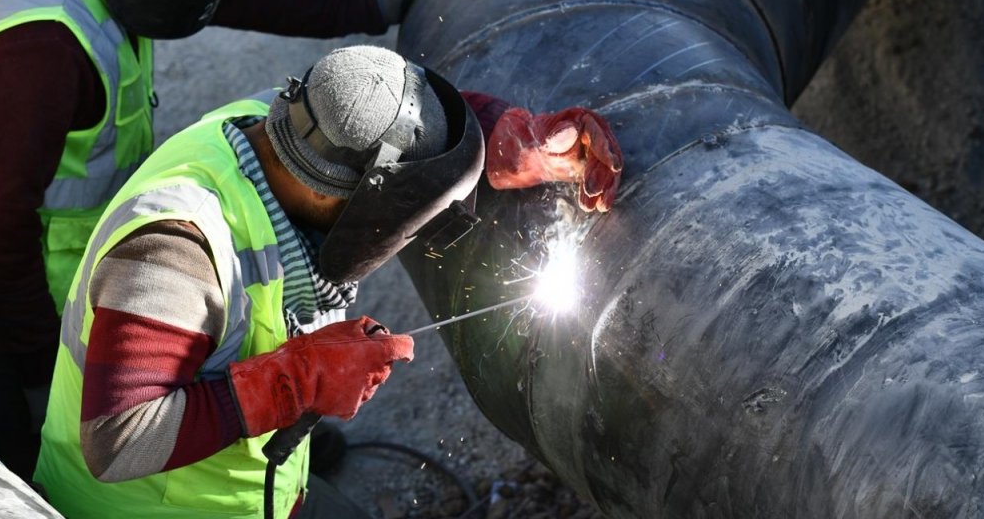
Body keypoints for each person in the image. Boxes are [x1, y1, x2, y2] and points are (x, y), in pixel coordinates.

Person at [0, 0, 459, 478]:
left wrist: (364, 7)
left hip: (52, 268)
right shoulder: (43, 53)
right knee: (18, 475)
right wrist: (43, 376)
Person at [33, 45, 622, 517]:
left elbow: (385, 110)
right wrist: (296, 381)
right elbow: (119, 438)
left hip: (256, 487)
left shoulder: (298, 126)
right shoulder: (175, 250)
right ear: (329, 190)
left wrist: (511, 138)